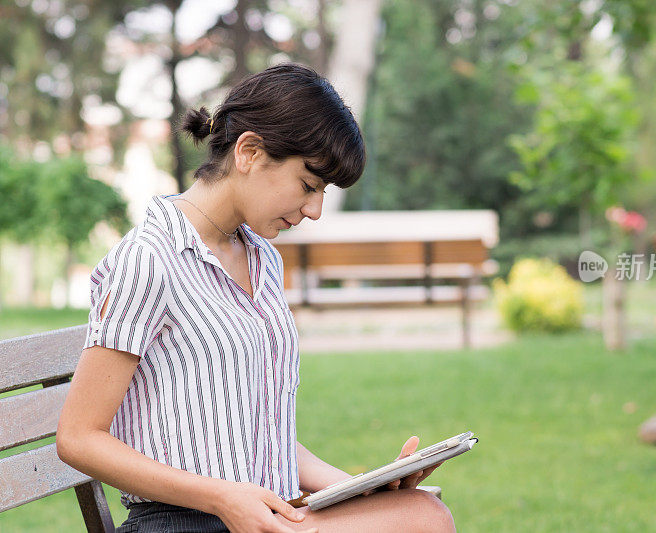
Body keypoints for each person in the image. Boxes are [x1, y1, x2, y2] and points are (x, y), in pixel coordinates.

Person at [56, 63, 456, 533]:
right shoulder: (149, 260)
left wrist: (362, 485)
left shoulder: (263, 259)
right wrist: (223, 497)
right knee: (423, 521)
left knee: (417, 512)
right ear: (249, 151)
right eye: (308, 186)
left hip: (262, 511)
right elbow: (78, 438)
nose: (315, 210)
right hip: (186, 521)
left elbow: (259, 433)